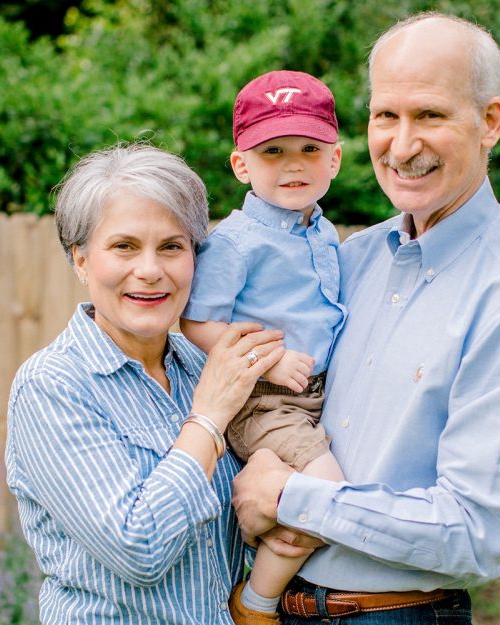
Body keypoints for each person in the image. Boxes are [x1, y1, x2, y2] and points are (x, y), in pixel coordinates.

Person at [231, 12, 500, 625]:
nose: (401, 144)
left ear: (489, 122)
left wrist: (291, 496)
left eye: (430, 115)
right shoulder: (351, 259)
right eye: (385, 116)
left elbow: (476, 534)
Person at [5, 142, 299, 624]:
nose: (150, 270)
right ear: (81, 261)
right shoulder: (53, 386)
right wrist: (207, 417)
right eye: (123, 246)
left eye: (171, 246)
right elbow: (139, 548)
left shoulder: (201, 365)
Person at [179, 70, 346, 625]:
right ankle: (257, 601)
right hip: (264, 400)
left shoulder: (324, 232)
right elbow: (196, 322)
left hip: (313, 397)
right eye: (272, 151)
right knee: (328, 495)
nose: (294, 163)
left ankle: (267, 487)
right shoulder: (234, 241)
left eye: (308, 148)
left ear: (335, 160)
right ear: (241, 165)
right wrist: (269, 357)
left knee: (306, 488)